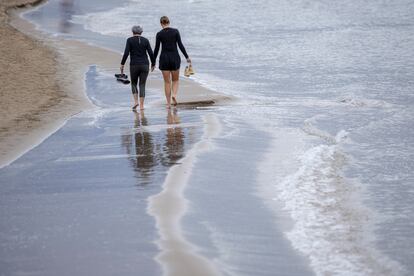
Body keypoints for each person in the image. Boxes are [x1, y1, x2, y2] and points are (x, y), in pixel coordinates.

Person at [154, 16, 191, 107]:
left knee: (167, 82)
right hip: (174, 58)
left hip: (164, 59)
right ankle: (174, 95)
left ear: (161, 24)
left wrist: (153, 61)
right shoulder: (175, 31)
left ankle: (168, 103)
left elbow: (156, 49)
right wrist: (187, 57)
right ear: (169, 22)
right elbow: (180, 45)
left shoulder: (159, 34)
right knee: (175, 80)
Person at [120, 25, 155, 110]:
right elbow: (151, 53)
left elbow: (126, 53)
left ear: (132, 32)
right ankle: (142, 106)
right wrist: (153, 64)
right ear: (141, 32)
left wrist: (122, 64)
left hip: (134, 65)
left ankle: (136, 102)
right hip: (145, 65)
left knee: (134, 83)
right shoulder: (146, 40)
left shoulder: (129, 40)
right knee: (142, 84)